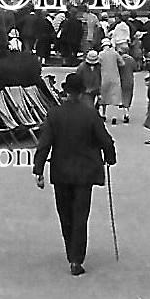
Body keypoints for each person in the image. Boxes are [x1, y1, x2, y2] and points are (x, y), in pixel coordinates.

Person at [33, 72, 116, 277]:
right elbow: (105, 140)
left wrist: (38, 169)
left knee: (65, 215)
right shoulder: (91, 114)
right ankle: (76, 259)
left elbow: (44, 144)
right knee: (81, 215)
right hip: (85, 173)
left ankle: (71, 251)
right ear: (83, 91)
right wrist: (110, 157)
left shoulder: (54, 114)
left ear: (65, 91)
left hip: (61, 173)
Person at [98, 39, 122, 123]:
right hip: (115, 77)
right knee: (115, 97)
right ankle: (114, 116)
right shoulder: (115, 53)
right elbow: (122, 63)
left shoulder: (100, 54)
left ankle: (103, 114)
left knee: (104, 97)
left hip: (104, 77)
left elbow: (97, 64)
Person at [116, 42, 136, 124]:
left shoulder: (120, 60)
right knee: (129, 95)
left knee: (124, 96)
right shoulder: (131, 59)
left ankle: (126, 113)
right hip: (130, 79)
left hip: (122, 80)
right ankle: (127, 111)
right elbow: (136, 68)